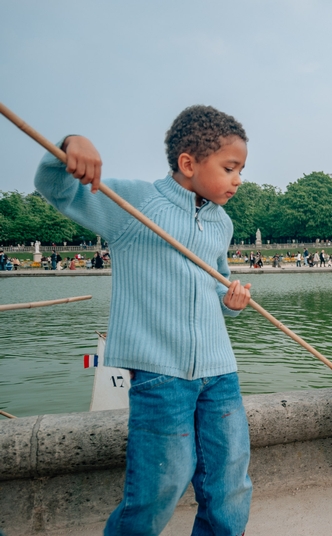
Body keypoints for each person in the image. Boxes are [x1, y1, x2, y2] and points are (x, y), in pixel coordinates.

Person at [35, 105, 253, 535]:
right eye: (230, 168)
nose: (238, 180)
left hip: (220, 371)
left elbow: (216, 281)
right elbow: (56, 188)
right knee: (160, 484)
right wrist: (70, 145)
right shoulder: (133, 203)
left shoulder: (222, 221)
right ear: (188, 164)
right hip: (160, 373)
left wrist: (231, 299)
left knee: (230, 481)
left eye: (241, 169)